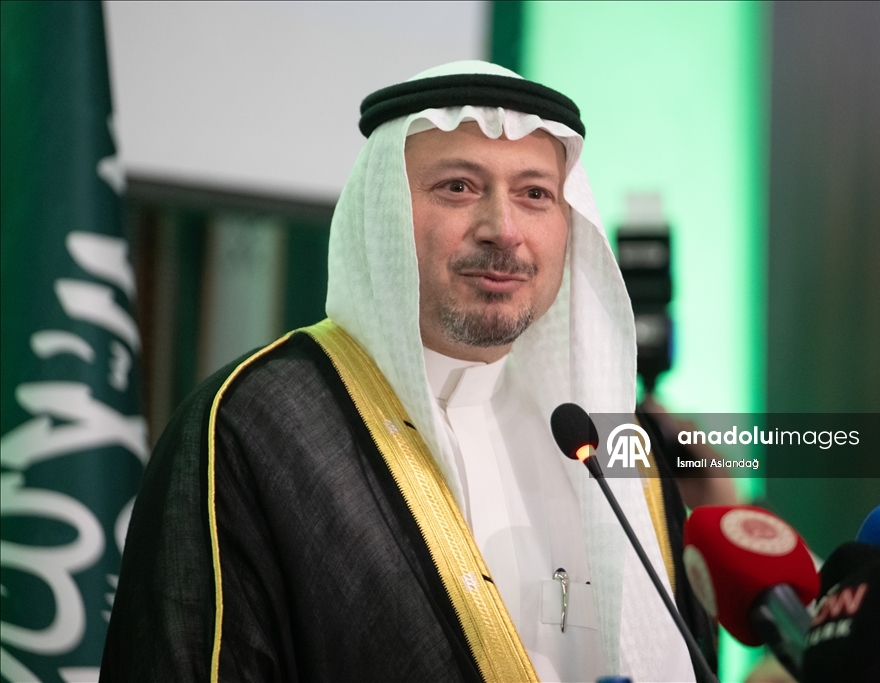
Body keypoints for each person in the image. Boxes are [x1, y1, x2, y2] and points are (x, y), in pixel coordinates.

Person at [101, 61, 716, 683]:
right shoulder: (255, 430)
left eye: (535, 194)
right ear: (385, 214)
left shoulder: (609, 454)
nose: (503, 230)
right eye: (458, 187)